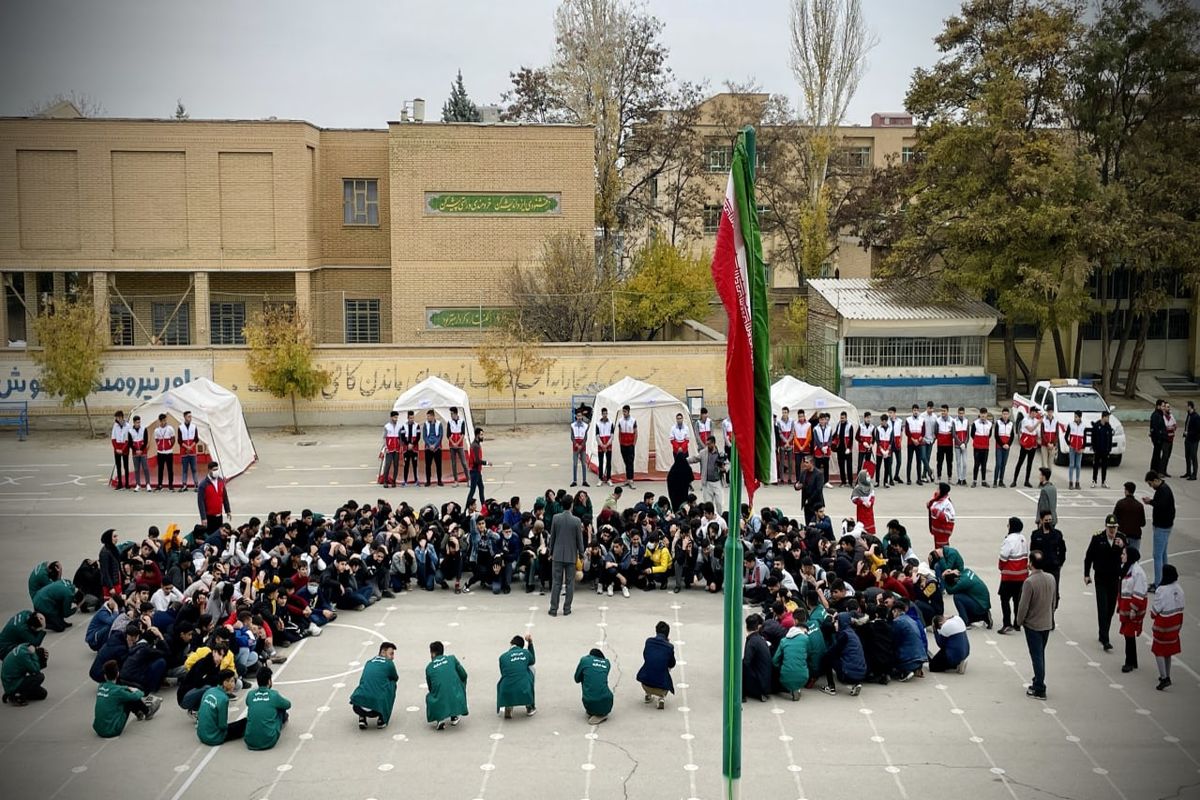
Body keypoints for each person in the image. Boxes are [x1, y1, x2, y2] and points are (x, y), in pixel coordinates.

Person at [1016, 550, 1056, 700]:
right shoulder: (1051, 578)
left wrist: (1019, 621)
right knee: (1041, 654)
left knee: (1036, 656)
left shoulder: (1029, 582)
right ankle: (1037, 680)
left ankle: (1039, 687)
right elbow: (1053, 601)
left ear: (1030, 564)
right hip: (1046, 622)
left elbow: (1023, 605)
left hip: (1033, 624)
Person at [1083, 514, 1124, 652]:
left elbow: (1128, 555)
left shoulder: (1121, 538)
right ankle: (1105, 638)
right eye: (1110, 527)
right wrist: (1086, 574)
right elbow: (1088, 557)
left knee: (1111, 608)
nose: (1112, 530)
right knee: (1103, 607)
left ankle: (1103, 632)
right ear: (1106, 527)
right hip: (1101, 578)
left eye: (1114, 527)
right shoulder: (1097, 538)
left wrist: (1123, 546)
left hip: (1114, 578)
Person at [92, 659, 161, 736]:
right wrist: (136, 690)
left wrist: (126, 687)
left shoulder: (101, 686)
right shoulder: (118, 691)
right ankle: (147, 711)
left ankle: (139, 713)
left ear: (105, 676)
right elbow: (137, 695)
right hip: (112, 730)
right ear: (118, 674)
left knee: (123, 696)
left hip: (98, 729)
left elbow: (116, 689)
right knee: (128, 697)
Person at [350, 642, 399, 730]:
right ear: (383, 652)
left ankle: (362, 717)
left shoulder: (368, 662)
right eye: (391, 654)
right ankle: (382, 719)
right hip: (375, 710)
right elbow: (395, 678)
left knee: (365, 684)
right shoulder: (389, 663)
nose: (393, 657)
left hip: (357, 706)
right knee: (392, 684)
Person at [1150, 565, 1184, 691]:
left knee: (1158, 650)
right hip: (1176, 622)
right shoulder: (1179, 589)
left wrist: (1152, 613)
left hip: (1164, 624)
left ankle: (1164, 677)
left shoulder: (1162, 590)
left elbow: (1156, 609)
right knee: (1168, 651)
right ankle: (1167, 674)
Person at [548, 504, 585, 617]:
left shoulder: (556, 518)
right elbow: (579, 539)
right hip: (571, 555)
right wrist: (581, 553)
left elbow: (552, 537)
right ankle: (567, 608)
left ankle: (553, 609)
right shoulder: (577, 521)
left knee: (556, 582)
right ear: (572, 505)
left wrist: (551, 551)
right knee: (570, 583)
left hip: (558, 555)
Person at [773, 609, 818, 700]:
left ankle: (790, 686)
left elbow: (774, 661)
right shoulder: (806, 639)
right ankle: (797, 687)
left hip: (784, 675)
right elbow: (809, 654)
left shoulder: (783, 641)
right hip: (804, 677)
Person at [1142, 470, 1175, 591]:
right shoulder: (1163, 489)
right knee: (1163, 554)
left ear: (1156, 480)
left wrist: (1150, 502)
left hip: (1162, 527)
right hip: (1166, 526)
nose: (1151, 486)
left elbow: (1160, 505)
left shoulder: (1163, 491)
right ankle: (1166, 579)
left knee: (1157, 555)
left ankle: (1158, 584)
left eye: (1151, 484)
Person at [1116, 547, 1148, 674]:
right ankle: (1133, 660)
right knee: (1127, 635)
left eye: (1124, 554)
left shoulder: (1137, 572)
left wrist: (1134, 609)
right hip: (1126, 605)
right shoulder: (1127, 568)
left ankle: (1129, 662)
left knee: (1129, 633)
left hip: (1132, 608)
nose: (1122, 556)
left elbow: (1139, 591)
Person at [425, 640, 468, 730]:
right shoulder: (452, 659)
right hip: (456, 694)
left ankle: (440, 719)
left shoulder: (429, 667)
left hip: (439, 697)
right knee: (459, 683)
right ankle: (454, 716)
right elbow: (464, 675)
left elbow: (431, 688)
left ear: (432, 654)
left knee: (431, 696)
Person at [245, 666, 291, 750]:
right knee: (280, 709)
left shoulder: (250, 694)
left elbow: (248, 703)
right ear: (269, 681)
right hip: (269, 740)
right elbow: (288, 704)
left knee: (256, 711)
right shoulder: (274, 695)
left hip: (249, 741)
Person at [997, 516, 1029, 634]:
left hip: (1010, 576)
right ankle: (1017, 623)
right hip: (1022, 575)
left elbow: (1003, 557)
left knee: (1004, 599)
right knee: (1017, 600)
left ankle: (1007, 623)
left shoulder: (1009, 540)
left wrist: (1001, 567)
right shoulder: (1023, 538)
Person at [1030, 510, 1066, 612]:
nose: (1048, 522)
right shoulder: (1036, 535)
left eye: (1050, 520)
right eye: (1046, 520)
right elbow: (1032, 551)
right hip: (1040, 569)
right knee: (1040, 593)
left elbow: (1062, 550)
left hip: (1053, 568)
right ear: (1041, 520)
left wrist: (1060, 562)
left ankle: (1051, 615)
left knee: (1054, 592)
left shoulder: (1057, 534)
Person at [197, 670, 245, 744]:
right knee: (244, 723)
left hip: (201, 734)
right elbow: (222, 725)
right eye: (232, 681)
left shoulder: (209, 691)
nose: (234, 684)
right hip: (213, 737)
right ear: (225, 683)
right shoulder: (224, 699)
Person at [636, 620, 675, 710]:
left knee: (651, 664)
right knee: (665, 667)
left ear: (656, 631)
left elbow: (645, 656)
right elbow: (672, 664)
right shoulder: (669, 647)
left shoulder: (648, 642)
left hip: (645, 684)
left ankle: (648, 694)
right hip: (661, 687)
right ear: (667, 634)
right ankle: (661, 697)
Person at [496, 633, 536, 719]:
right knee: (531, 668)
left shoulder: (502, 657)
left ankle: (508, 704)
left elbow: (503, 673)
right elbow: (533, 660)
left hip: (506, 688)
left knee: (509, 674)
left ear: (511, 644)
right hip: (524, 688)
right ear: (521, 646)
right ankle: (529, 707)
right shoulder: (525, 653)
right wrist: (530, 644)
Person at [574, 648, 613, 724]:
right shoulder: (607, 663)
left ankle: (595, 712)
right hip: (607, 701)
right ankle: (600, 712)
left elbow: (576, 679)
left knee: (586, 677)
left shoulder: (585, 660)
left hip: (589, 702)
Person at [690, 437, 725, 516]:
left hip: (717, 482)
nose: (707, 446)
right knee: (708, 503)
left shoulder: (720, 453)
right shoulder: (703, 453)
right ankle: (709, 518)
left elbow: (727, 464)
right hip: (707, 483)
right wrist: (684, 460)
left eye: (709, 444)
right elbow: (695, 459)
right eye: (707, 444)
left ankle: (720, 517)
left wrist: (724, 468)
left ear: (713, 443)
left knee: (719, 503)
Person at [742, 614, 772, 702]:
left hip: (760, 684)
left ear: (746, 627)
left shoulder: (752, 642)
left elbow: (746, 663)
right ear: (758, 627)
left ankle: (742, 694)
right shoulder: (760, 639)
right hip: (766, 681)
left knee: (739, 665)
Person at [197, 461, 230, 534]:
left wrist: (228, 510)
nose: (216, 471)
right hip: (209, 517)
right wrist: (203, 518)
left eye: (217, 469)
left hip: (219, 516)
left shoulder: (221, 481)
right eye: (214, 470)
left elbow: (224, 496)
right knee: (210, 536)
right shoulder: (203, 485)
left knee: (219, 535)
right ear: (209, 470)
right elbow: (200, 502)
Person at [1112, 481, 1145, 553]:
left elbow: (1114, 519)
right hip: (1135, 535)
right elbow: (1143, 523)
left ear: (1126, 490)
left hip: (1122, 535)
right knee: (1133, 558)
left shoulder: (1120, 503)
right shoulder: (1139, 506)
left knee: (1120, 556)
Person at [464, 428, 489, 508]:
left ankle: (483, 506)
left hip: (477, 471)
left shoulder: (476, 444)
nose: (482, 436)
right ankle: (467, 508)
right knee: (473, 490)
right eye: (481, 435)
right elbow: (476, 460)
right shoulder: (475, 446)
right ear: (477, 435)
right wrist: (486, 463)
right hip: (475, 471)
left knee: (481, 488)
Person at [926, 482, 955, 548]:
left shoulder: (947, 503)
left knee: (942, 550)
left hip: (943, 532)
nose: (936, 491)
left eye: (938, 489)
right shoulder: (938, 499)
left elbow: (947, 517)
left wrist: (935, 511)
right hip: (937, 532)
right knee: (937, 548)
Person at [1091, 410, 1115, 488]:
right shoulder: (1096, 425)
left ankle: (1103, 481)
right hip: (1098, 450)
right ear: (1103, 417)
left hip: (1105, 450)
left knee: (1104, 466)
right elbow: (1093, 437)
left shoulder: (1108, 427)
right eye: (1107, 417)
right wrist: (1094, 448)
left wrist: (1109, 449)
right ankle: (1094, 480)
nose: (1108, 419)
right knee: (1096, 466)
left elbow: (1110, 438)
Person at [177, 410, 199, 491]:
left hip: (192, 452)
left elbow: (196, 439)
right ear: (185, 417)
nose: (190, 418)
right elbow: (179, 440)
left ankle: (196, 485)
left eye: (191, 416)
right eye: (189, 416)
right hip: (184, 452)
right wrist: (187, 447)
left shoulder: (194, 426)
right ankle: (184, 485)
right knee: (184, 469)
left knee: (194, 469)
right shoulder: (180, 427)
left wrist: (191, 447)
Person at [446, 406, 469, 486]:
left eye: (452, 413)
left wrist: (458, 443)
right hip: (452, 446)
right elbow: (448, 434)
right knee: (453, 463)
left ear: (455, 413)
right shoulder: (449, 422)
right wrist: (453, 443)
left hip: (460, 446)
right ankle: (456, 481)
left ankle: (468, 480)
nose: (451, 415)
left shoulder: (462, 421)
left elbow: (463, 434)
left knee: (464, 463)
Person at [1064, 411, 1086, 490]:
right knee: (1071, 464)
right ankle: (1070, 482)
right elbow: (1066, 436)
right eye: (1074, 416)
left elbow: (1085, 438)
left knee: (1078, 465)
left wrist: (1083, 448)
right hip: (1072, 448)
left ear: (1080, 417)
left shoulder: (1083, 426)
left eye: (1076, 417)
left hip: (1079, 448)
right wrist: (1069, 443)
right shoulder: (1071, 424)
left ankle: (1077, 482)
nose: (1075, 418)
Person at [153, 412, 176, 491]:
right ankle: (160, 485)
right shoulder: (156, 430)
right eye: (162, 420)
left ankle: (170, 485)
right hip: (160, 453)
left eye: (165, 420)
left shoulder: (170, 428)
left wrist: (169, 445)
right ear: (160, 421)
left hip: (169, 452)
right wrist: (159, 445)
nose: (164, 422)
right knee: (160, 469)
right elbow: (156, 440)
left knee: (170, 469)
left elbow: (173, 439)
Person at [970, 408, 992, 487]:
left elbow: (989, 435)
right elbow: (972, 434)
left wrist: (984, 441)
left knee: (984, 464)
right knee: (976, 464)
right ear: (980, 414)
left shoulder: (989, 424)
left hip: (985, 447)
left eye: (984, 414)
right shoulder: (975, 423)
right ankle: (974, 481)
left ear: (986, 414)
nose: (983, 415)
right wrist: (978, 441)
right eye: (981, 414)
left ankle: (983, 481)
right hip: (977, 447)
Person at [617, 405, 638, 488]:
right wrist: (620, 442)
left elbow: (636, 433)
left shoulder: (633, 420)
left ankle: (631, 479)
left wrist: (634, 444)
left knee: (630, 462)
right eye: (623, 412)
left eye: (625, 412)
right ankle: (627, 479)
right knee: (626, 462)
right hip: (623, 444)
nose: (624, 413)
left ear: (628, 412)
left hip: (630, 445)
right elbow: (619, 432)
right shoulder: (620, 421)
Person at [422, 410, 444, 487]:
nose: (427, 418)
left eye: (429, 416)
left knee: (438, 465)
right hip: (428, 448)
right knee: (428, 465)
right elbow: (424, 436)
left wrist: (435, 445)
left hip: (437, 447)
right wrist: (429, 445)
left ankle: (439, 480)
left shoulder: (439, 424)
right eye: (427, 416)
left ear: (433, 416)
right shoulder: (425, 424)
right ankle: (428, 481)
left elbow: (440, 436)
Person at [992, 408, 1013, 489]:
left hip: (1007, 447)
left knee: (1003, 464)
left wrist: (1008, 445)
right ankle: (995, 481)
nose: (1005, 416)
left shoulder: (1011, 423)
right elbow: (996, 435)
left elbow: (1012, 436)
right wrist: (1002, 444)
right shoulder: (998, 422)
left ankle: (1001, 481)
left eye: (1006, 414)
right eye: (1004, 414)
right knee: (998, 464)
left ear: (1008, 415)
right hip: (999, 447)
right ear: (1002, 414)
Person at [850, 470, 876, 535]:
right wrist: (863, 503)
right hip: (861, 511)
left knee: (870, 527)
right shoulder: (857, 488)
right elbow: (854, 498)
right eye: (867, 476)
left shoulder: (870, 486)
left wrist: (870, 502)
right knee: (862, 526)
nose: (869, 477)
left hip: (869, 510)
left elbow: (872, 496)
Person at [594, 407, 615, 486]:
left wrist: (607, 445)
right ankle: (600, 479)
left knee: (609, 462)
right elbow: (597, 435)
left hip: (608, 445)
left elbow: (612, 435)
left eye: (606, 413)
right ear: (601, 414)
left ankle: (609, 478)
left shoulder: (611, 423)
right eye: (604, 414)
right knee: (601, 462)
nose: (605, 415)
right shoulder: (598, 424)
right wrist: (602, 445)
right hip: (601, 446)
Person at [382, 410, 402, 488]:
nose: (396, 419)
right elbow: (384, 438)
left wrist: (400, 446)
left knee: (396, 465)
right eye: (395, 417)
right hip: (389, 449)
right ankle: (385, 481)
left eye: (397, 417)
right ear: (391, 417)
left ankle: (394, 481)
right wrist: (386, 447)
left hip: (396, 448)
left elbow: (400, 438)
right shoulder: (387, 426)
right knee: (388, 464)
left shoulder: (399, 426)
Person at [129, 415, 150, 491]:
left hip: (143, 452)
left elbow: (146, 440)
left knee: (145, 468)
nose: (138, 423)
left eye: (139, 422)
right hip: (135, 453)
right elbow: (130, 443)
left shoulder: (144, 429)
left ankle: (148, 484)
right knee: (137, 469)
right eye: (137, 422)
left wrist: (141, 450)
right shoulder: (130, 431)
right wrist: (136, 450)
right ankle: (138, 484)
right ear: (134, 422)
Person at [812, 412, 833, 486]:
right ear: (819, 420)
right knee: (817, 466)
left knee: (826, 466)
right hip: (819, 448)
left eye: (823, 419)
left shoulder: (829, 428)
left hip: (827, 448)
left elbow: (830, 439)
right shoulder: (815, 428)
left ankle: (826, 481)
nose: (822, 421)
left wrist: (827, 446)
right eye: (821, 420)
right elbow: (816, 439)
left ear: (825, 420)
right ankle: (817, 481)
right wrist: (821, 447)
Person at [111, 410, 131, 490]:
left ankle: (127, 483)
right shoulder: (115, 426)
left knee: (126, 466)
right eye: (116, 418)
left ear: (122, 417)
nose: (117, 419)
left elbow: (128, 440)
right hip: (117, 448)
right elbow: (113, 438)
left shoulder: (128, 426)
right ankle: (119, 483)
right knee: (118, 466)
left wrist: (122, 449)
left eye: (118, 418)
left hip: (125, 448)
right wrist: (116, 449)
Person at [834, 411, 854, 487]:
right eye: (841, 418)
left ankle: (851, 482)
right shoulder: (838, 425)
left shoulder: (850, 426)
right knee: (841, 466)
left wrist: (849, 448)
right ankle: (843, 481)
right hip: (840, 448)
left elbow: (851, 438)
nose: (842, 419)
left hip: (847, 449)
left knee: (849, 466)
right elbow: (836, 434)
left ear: (846, 418)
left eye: (843, 418)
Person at [401, 410, 420, 486]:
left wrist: (412, 444)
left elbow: (418, 436)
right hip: (406, 448)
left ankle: (416, 480)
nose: (412, 419)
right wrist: (408, 444)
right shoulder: (404, 426)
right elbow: (402, 437)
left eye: (413, 418)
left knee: (415, 464)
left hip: (414, 448)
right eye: (410, 418)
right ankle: (405, 481)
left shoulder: (417, 425)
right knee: (406, 464)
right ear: (407, 418)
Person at [952, 406, 970, 486]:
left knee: (965, 463)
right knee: (958, 462)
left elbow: (967, 435)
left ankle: (964, 478)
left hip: (964, 445)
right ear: (958, 413)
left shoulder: (966, 421)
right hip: (957, 445)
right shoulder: (954, 421)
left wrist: (964, 443)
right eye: (960, 413)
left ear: (964, 413)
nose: (961, 415)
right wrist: (960, 443)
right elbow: (954, 434)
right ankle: (959, 478)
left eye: (962, 413)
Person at [1149, 398, 1167, 474]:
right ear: (1158, 406)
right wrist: (1159, 438)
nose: (1164, 408)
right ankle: (1154, 471)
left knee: (1157, 455)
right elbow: (1156, 428)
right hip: (1157, 439)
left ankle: (1156, 470)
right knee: (1156, 455)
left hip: (1159, 438)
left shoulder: (1159, 415)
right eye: (1163, 406)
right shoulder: (1156, 415)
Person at [1184, 400, 1199, 480]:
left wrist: (1188, 433)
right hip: (1187, 439)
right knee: (1187, 456)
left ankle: (1194, 474)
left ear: (1190, 406)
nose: (1186, 407)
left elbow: (1197, 429)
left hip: (1194, 440)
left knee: (1193, 456)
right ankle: (1188, 472)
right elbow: (1187, 425)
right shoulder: (1189, 415)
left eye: (1186, 406)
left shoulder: (1196, 416)